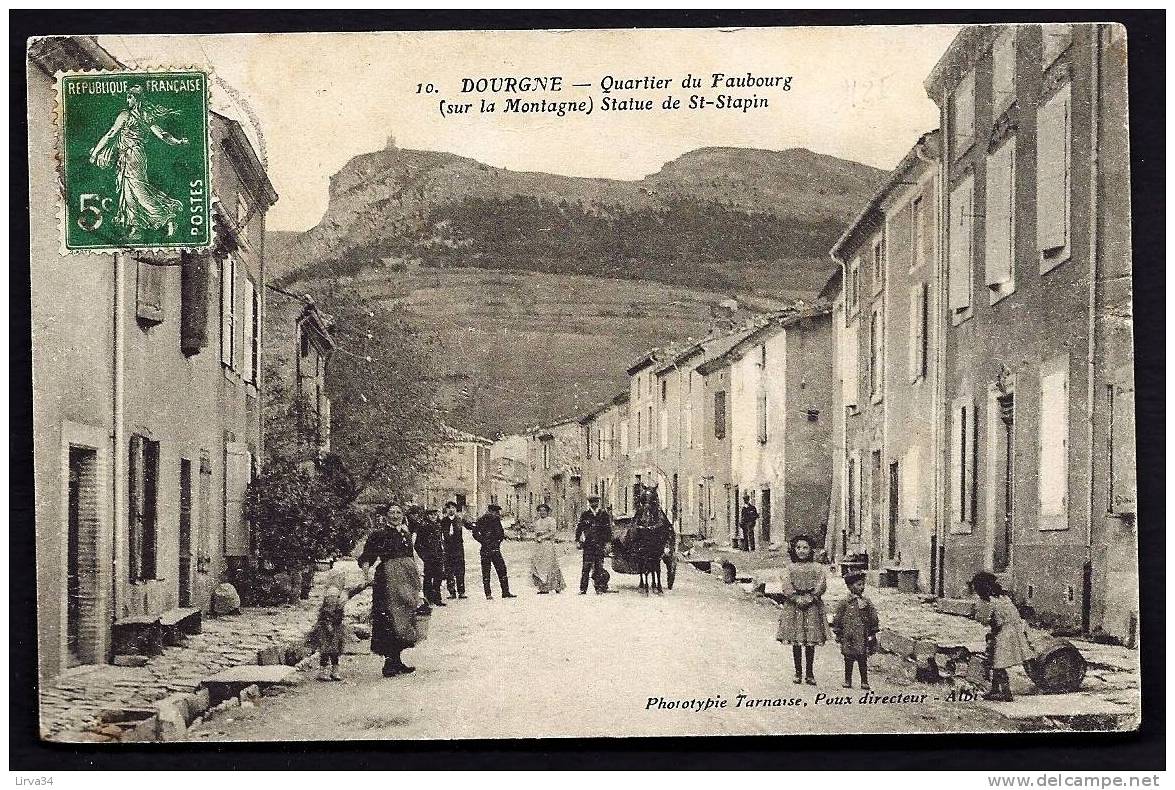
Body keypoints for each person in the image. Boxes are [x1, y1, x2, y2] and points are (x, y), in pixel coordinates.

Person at [358, 504, 423, 677]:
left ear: (403, 515)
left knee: (404, 617)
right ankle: (389, 662)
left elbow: (412, 557)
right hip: (388, 580)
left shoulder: (406, 533)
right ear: (386, 515)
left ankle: (397, 659)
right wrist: (367, 575)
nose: (395, 516)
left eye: (398, 512)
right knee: (389, 618)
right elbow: (367, 556)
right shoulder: (379, 535)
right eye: (391, 513)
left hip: (406, 580)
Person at [971, 571, 1034, 702]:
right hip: (1012, 630)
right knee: (995, 661)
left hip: (1004, 633)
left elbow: (988, 620)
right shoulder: (1003, 597)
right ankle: (994, 690)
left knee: (999, 664)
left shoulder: (991, 601)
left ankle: (1006, 693)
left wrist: (991, 632)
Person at [776, 534, 827, 685]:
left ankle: (810, 673)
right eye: (798, 547)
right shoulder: (789, 568)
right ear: (794, 550)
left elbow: (821, 584)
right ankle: (798, 672)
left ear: (811, 550)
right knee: (797, 641)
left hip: (812, 606)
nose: (802, 551)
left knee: (810, 641)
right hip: (794, 607)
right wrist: (796, 598)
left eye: (805, 547)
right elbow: (786, 585)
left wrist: (812, 597)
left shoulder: (817, 568)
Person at [831, 571, 879, 690]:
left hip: (862, 635)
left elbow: (873, 616)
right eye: (858, 585)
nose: (861, 587)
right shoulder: (844, 602)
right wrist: (837, 631)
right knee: (848, 658)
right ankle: (848, 680)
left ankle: (864, 681)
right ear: (849, 586)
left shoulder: (866, 602)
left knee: (862, 658)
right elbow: (838, 617)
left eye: (863, 584)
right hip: (848, 636)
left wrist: (873, 630)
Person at [471, 503, 515, 600]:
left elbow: (500, 533)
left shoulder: (495, 520)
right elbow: (475, 532)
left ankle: (505, 592)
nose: (497, 514)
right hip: (486, 549)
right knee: (487, 571)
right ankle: (489, 593)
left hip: (494, 549)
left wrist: (498, 541)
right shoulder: (482, 519)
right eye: (496, 512)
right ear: (490, 511)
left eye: (497, 512)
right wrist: (483, 540)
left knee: (501, 569)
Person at [575, 495, 613, 594]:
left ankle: (599, 588)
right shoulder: (585, 514)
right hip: (588, 545)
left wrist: (608, 542)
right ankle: (583, 589)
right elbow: (579, 528)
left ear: (598, 502)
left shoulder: (603, 514)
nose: (594, 504)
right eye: (592, 502)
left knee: (598, 567)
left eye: (596, 502)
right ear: (589, 503)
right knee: (586, 567)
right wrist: (577, 540)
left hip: (600, 544)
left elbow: (608, 529)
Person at [309, 584, 347, 681]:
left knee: (335, 654)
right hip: (325, 636)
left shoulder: (339, 610)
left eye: (335, 597)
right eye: (330, 598)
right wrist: (326, 624)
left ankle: (335, 671)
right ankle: (323, 672)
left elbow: (340, 619)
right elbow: (321, 621)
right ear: (326, 599)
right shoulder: (324, 611)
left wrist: (334, 624)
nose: (332, 600)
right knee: (324, 654)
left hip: (335, 635)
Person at [529, 503, 566, 594]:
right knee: (539, 564)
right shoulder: (537, 522)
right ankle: (543, 587)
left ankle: (556, 585)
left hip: (548, 544)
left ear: (547, 512)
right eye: (540, 511)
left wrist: (543, 537)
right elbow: (536, 532)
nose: (542, 512)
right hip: (539, 545)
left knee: (549, 565)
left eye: (544, 511)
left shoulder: (551, 520)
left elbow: (552, 532)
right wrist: (537, 538)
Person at [413, 508, 446, 607]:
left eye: (435, 514)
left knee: (438, 578)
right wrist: (424, 556)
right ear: (427, 515)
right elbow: (417, 545)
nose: (433, 516)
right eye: (431, 514)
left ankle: (437, 599)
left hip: (438, 556)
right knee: (428, 578)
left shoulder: (438, 526)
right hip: (429, 557)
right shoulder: (423, 527)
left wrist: (442, 552)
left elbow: (440, 540)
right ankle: (428, 599)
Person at [439, 501, 467, 600]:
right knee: (449, 570)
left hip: (458, 548)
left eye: (453, 508)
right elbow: (440, 534)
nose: (451, 509)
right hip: (447, 549)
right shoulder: (443, 521)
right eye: (449, 508)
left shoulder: (459, 520)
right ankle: (451, 592)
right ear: (446, 510)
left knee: (460, 570)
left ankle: (461, 591)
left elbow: (469, 526)